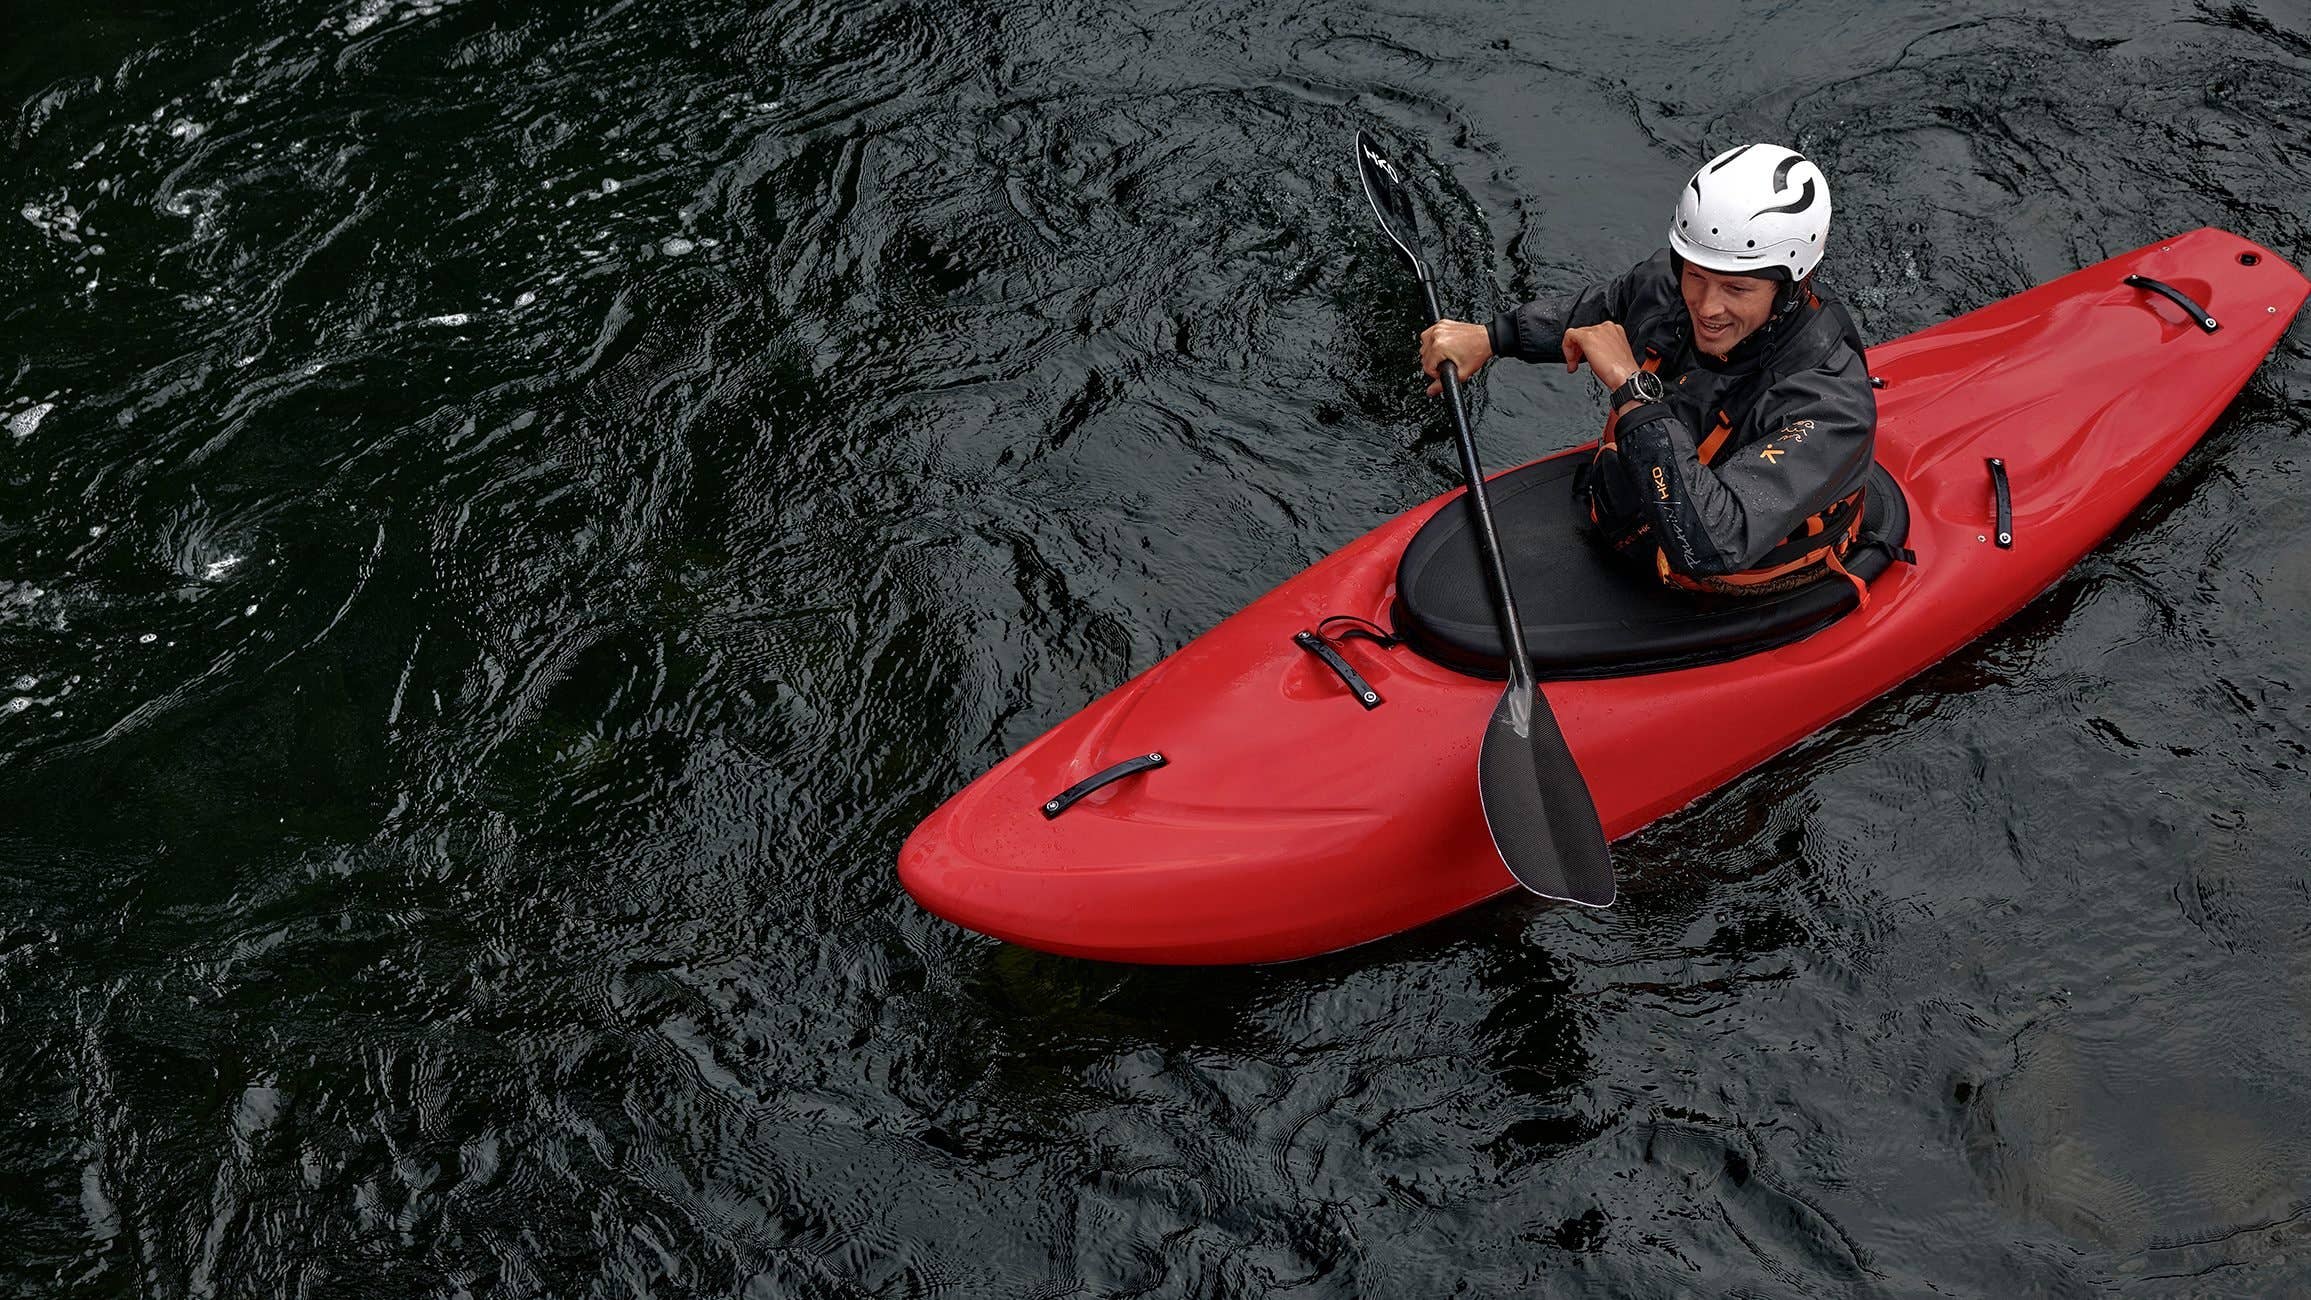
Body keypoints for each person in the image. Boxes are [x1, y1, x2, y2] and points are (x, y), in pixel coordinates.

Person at [1418, 143, 1879, 598]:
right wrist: (1493, 337)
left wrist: (1631, 388)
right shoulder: (1672, 285)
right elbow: (1607, 308)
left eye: (1736, 289)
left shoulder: (1831, 405)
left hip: (1722, 585)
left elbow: (1713, 546)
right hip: (1633, 515)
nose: (1706, 306)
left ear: (1791, 286)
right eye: (1696, 275)